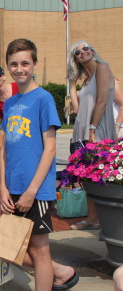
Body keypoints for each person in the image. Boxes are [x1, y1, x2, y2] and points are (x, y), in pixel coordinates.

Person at [0, 38, 78, 291]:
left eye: (25, 63)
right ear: (8, 67)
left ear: (34, 64)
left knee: (39, 250)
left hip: (36, 189)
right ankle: (61, 272)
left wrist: (31, 191)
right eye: (14, 64)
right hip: (12, 188)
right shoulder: (10, 104)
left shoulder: (43, 99)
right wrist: (2, 187)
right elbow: (5, 149)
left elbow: (51, 149)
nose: (19, 68)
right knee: (8, 248)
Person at [67, 40, 117, 230]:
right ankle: (93, 218)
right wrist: (72, 85)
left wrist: (92, 128)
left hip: (97, 131)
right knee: (86, 176)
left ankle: (107, 220)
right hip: (82, 132)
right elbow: (78, 109)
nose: (83, 52)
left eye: (85, 48)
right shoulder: (86, 80)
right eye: (77, 52)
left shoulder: (102, 68)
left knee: (102, 176)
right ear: (76, 60)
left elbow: (103, 101)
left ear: (92, 50)